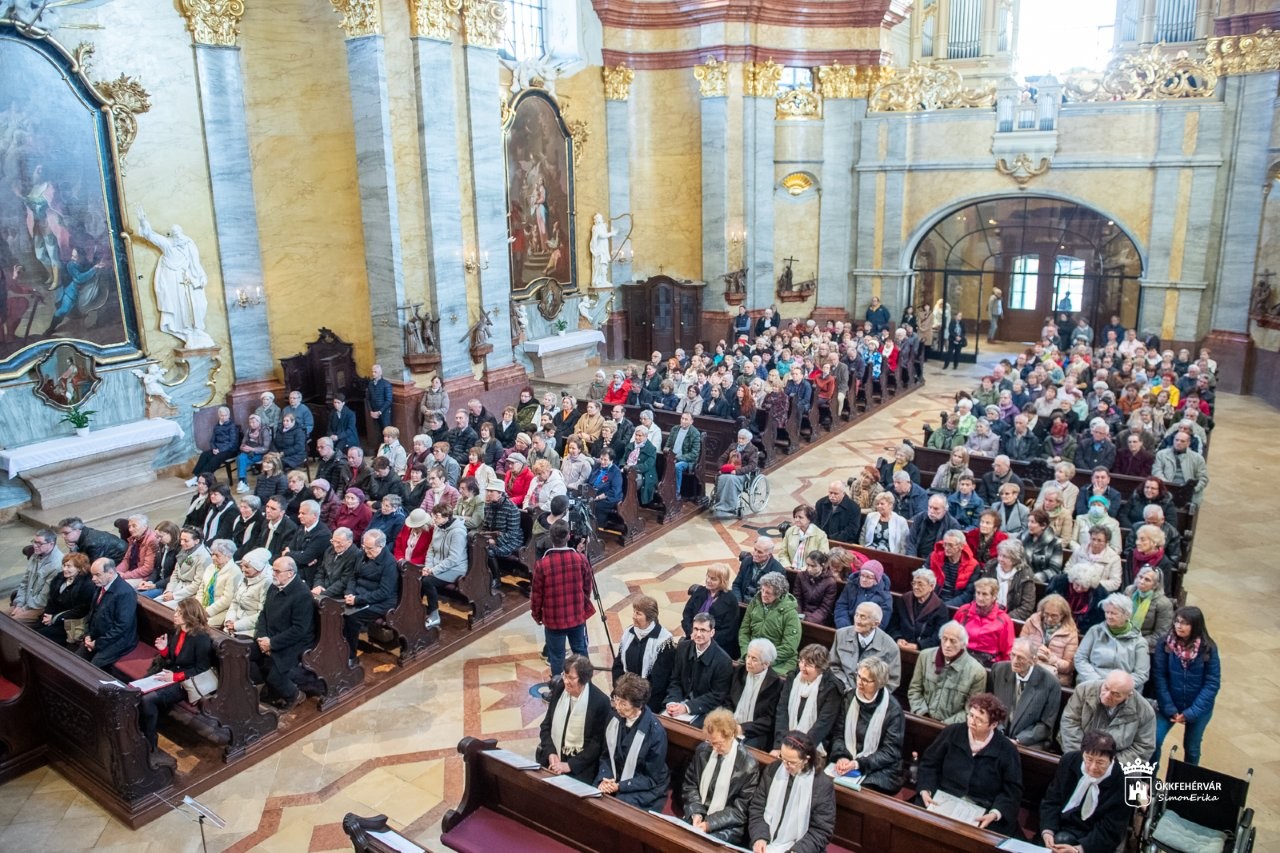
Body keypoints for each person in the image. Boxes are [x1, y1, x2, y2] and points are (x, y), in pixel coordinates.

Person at [915, 693, 1022, 834]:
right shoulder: (953, 732)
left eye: (979, 720)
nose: (972, 721)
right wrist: (926, 789)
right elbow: (929, 764)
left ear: (993, 725)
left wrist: (995, 813)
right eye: (971, 715)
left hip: (983, 806)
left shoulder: (1006, 750)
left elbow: (1012, 790)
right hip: (945, 796)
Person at [136, 598, 218, 751]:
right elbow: (173, 659)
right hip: (171, 674)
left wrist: (175, 677)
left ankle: (150, 743)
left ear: (190, 616)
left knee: (148, 699)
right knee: (138, 690)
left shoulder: (201, 638)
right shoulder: (179, 631)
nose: (175, 615)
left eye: (180, 613)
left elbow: (201, 669)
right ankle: (140, 735)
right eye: (176, 611)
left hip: (185, 682)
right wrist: (164, 650)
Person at [1039, 731, 1132, 853]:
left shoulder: (1123, 784)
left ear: (1112, 759)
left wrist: (1079, 850)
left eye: (1100, 762)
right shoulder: (1069, 761)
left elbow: (1111, 830)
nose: (1093, 767)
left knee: (1064, 840)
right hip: (1059, 827)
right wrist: (1048, 831)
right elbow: (1052, 800)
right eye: (1089, 759)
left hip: (1092, 840)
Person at [681, 708, 761, 845]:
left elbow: (740, 810)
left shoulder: (748, 765)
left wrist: (709, 824)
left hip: (727, 826)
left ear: (731, 735)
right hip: (699, 815)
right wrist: (696, 812)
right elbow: (690, 785)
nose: (714, 749)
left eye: (718, 743)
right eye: (711, 743)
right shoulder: (703, 751)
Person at [747, 729, 836, 853]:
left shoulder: (821, 785)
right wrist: (760, 837)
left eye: (791, 762)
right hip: (768, 842)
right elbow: (757, 807)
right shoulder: (773, 770)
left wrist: (796, 851)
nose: (785, 766)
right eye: (783, 759)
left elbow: (821, 830)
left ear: (806, 760)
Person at [1153, 606, 1220, 765]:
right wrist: (1169, 708)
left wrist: (1191, 712)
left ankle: (1188, 783)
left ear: (1195, 625)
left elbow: (1212, 683)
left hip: (1198, 708)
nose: (1178, 626)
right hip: (1169, 705)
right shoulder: (1165, 644)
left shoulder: (1208, 648)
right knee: (1154, 741)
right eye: (1176, 621)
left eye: (1184, 623)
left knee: (1192, 748)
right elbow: (1159, 676)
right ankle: (1150, 782)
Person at [828, 657, 904, 794]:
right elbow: (838, 733)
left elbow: (890, 751)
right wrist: (841, 756)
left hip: (878, 767)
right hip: (847, 758)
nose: (859, 682)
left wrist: (858, 763)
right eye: (858, 676)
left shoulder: (893, 710)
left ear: (879, 683)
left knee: (860, 792)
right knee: (825, 782)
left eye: (865, 680)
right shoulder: (849, 698)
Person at [596, 673, 670, 811]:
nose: (617, 707)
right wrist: (605, 778)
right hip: (615, 776)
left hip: (643, 785)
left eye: (623, 704)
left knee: (618, 808)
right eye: (616, 700)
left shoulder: (655, 733)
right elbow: (606, 755)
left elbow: (650, 778)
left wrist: (620, 786)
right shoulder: (614, 718)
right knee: (594, 796)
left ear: (638, 705)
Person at [249, 556, 316, 710]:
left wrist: (272, 643)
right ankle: (267, 689)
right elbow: (263, 615)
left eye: (277, 571)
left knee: (274, 673)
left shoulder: (302, 595)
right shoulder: (274, 586)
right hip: (270, 636)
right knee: (244, 653)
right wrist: (262, 637)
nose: (273, 574)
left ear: (290, 573)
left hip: (294, 641)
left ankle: (294, 695)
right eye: (273, 569)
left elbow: (299, 630)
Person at [532, 522, 594, 680]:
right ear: (568, 536)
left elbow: (537, 594)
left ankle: (558, 689)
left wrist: (537, 615)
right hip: (576, 615)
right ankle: (585, 684)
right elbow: (587, 587)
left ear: (550, 538)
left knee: (556, 656)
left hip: (554, 619)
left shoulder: (542, 565)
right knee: (580, 650)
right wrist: (581, 603)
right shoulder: (580, 559)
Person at [537, 654, 611, 784]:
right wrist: (551, 753)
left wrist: (569, 765)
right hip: (554, 755)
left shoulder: (600, 702)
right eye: (564, 675)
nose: (565, 681)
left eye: (571, 678)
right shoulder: (560, 689)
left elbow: (597, 744)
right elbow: (546, 726)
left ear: (583, 679)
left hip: (581, 764)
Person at [1059, 670, 1156, 766]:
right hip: (1079, 753)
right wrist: (1082, 758)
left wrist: (1108, 764)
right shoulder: (1084, 690)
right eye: (1106, 688)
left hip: (1117, 764)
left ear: (1128, 696)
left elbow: (1143, 747)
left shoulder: (1144, 711)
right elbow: (1070, 723)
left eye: (1116, 694)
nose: (1107, 695)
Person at [907, 621, 987, 723]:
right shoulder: (925, 656)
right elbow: (914, 690)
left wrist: (945, 726)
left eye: (953, 641)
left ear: (963, 644)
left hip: (951, 729)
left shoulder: (977, 672)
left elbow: (970, 709)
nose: (947, 645)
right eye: (944, 639)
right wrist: (922, 714)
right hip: (920, 719)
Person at [989, 638, 1061, 750]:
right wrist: (999, 732)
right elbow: (990, 706)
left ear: (1034, 660)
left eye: (1021, 658)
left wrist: (1019, 740)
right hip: (996, 732)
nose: (1014, 661)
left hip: (1029, 741)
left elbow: (1046, 725)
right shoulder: (999, 670)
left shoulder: (1051, 683)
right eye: (1013, 655)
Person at [665, 613, 734, 726]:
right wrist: (672, 702)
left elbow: (717, 696)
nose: (698, 634)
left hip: (704, 710)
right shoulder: (683, 648)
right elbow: (675, 680)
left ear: (712, 632)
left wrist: (687, 707)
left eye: (703, 630)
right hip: (680, 701)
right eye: (696, 629)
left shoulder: (723, 661)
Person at [771, 644, 843, 752]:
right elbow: (782, 711)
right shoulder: (793, 677)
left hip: (813, 746)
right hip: (785, 742)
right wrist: (779, 744)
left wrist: (801, 748)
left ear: (821, 668)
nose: (802, 667)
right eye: (801, 662)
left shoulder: (832, 687)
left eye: (808, 665)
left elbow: (823, 724)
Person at [341, 530, 398, 664]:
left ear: (381, 546)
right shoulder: (362, 555)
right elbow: (353, 577)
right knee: (333, 611)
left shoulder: (389, 563)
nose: (366, 551)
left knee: (351, 618)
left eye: (370, 548)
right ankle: (339, 648)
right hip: (360, 596)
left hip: (381, 602)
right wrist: (349, 592)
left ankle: (350, 656)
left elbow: (384, 592)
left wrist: (357, 599)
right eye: (364, 547)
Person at [1075, 592, 1150, 690]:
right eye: (1107, 612)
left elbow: (1141, 674)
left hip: (1122, 689)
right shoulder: (1095, 631)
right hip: (1092, 682)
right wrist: (1096, 681)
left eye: (1114, 613)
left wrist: (1116, 686)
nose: (1109, 616)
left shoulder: (1139, 642)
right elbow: (1080, 658)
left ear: (1127, 615)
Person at [77, 558, 138, 671]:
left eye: (97, 575)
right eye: (92, 575)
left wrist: (98, 643)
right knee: (75, 661)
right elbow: (93, 613)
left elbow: (122, 626)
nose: (93, 579)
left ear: (110, 573)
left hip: (117, 641)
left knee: (91, 670)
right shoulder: (101, 586)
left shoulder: (125, 593)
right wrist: (88, 635)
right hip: (98, 636)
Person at [829, 602, 902, 693]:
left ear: (875, 624)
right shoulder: (841, 635)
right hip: (840, 690)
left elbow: (891, 681)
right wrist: (845, 687)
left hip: (869, 698)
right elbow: (833, 666)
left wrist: (868, 694)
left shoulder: (890, 647)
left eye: (863, 617)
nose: (858, 621)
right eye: (857, 615)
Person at [739, 572, 802, 676]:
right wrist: (747, 654)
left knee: (769, 681)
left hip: (780, 661)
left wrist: (763, 660)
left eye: (768, 593)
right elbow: (744, 631)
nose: (763, 594)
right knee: (738, 673)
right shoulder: (755, 603)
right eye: (762, 590)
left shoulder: (790, 613)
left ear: (778, 594)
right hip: (752, 655)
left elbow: (789, 647)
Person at [730, 639, 784, 750]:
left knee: (742, 751)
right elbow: (728, 700)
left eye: (754, 659)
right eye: (748, 656)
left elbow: (768, 719)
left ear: (766, 664)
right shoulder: (739, 672)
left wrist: (743, 728)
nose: (748, 661)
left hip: (755, 732)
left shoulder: (775, 683)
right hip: (730, 722)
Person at [951, 577, 1016, 665]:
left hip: (988, 662)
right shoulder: (964, 610)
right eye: (978, 593)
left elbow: (1008, 650)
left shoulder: (1004, 620)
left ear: (994, 597)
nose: (980, 598)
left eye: (985, 594)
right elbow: (951, 634)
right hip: (962, 655)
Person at [681, 564, 741, 659]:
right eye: (708, 576)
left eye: (713, 579)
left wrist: (705, 639)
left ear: (722, 581)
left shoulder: (730, 600)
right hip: (693, 637)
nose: (708, 580)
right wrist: (691, 632)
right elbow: (687, 615)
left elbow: (729, 631)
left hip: (716, 645)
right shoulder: (699, 591)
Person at [36, 552, 95, 644]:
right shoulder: (59, 577)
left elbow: (81, 610)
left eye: (69, 566)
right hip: (52, 616)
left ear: (79, 568)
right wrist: (47, 615)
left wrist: (55, 618)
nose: (64, 569)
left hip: (70, 622)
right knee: (34, 631)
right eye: (64, 565)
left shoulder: (87, 584)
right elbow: (52, 599)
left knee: (41, 637)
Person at [7, 528, 63, 625]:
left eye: (39, 543)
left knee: (11, 625)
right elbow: (25, 582)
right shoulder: (35, 555)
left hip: (40, 607)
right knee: (3, 618)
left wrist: (24, 608)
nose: (35, 546)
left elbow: (44, 597)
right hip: (26, 602)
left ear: (51, 544)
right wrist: (19, 604)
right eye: (34, 542)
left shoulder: (57, 565)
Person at [889, 568, 949, 653]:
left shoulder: (940, 608)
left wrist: (918, 645)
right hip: (899, 646)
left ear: (931, 586)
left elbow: (939, 636)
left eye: (920, 584)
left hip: (924, 651)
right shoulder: (904, 599)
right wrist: (897, 638)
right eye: (914, 583)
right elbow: (893, 624)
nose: (915, 587)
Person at [1125, 566, 1174, 653]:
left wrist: (1135, 641)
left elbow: (1160, 635)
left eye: (1147, 580)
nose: (1141, 581)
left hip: (1144, 645)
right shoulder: (1130, 591)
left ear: (1155, 585)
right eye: (1140, 577)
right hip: (1123, 635)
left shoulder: (1163, 604)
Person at [224, 548, 272, 635]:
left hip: (250, 631)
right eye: (242, 565)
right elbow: (235, 603)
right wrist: (229, 620)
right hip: (233, 624)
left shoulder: (267, 583)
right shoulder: (244, 577)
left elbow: (261, 614)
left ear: (258, 567)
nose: (242, 569)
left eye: (247, 566)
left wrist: (236, 626)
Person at [1152, 429, 1208, 505]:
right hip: (1166, 487)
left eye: (1182, 441)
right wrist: (1166, 485)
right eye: (1176, 440)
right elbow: (1157, 472)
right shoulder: (1161, 454)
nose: (1178, 443)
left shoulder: (1197, 458)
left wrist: (1192, 490)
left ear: (1188, 443)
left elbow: (1203, 479)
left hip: (1187, 492)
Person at [1067, 524, 1122, 593]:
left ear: (1107, 542)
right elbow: (1068, 568)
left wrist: (1092, 583)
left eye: (1099, 540)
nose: (1095, 543)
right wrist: (1076, 580)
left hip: (1096, 592)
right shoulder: (1080, 550)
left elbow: (1115, 583)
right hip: (1075, 587)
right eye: (1093, 539)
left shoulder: (1114, 558)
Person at [190, 406, 242, 480]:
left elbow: (233, 443)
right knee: (204, 455)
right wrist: (214, 448)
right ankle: (196, 476)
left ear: (229, 415)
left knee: (216, 459)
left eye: (225, 415)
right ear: (219, 416)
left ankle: (201, 477)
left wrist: (219, 450)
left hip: (230, 450)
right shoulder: (216, 426)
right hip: (217, 449)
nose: (223, 417)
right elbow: (212, 440)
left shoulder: (232, 426)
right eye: (222, 415)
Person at [199, 540, 243, 625]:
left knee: (200, 624)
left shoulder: (235, 572)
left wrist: (207, 611)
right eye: (212, 554)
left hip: (220, 611)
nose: (213, 558)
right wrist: (198, 607)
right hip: (202, 607)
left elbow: (227, 600)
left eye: (217, 555)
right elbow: (201, 588)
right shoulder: (211, 567)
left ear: (228, 556)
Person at [930, 529, 980, 601]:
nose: (946, 548)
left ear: (961, 546)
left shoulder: (973, 565)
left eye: (950, 545)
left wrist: (946, 606)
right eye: (945, 544)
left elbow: (968, 594)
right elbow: (926, 580)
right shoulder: (935, 556)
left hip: (956, 603)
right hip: (934, 598)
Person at [311, 527, 359, 600]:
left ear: (349, 542)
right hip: (322, 589)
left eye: (339, 542)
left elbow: (344, 582)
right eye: (333, 541)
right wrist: (318, 586)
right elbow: (321, 571)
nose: (335, 545)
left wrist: (323, 594)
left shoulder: (355, 555)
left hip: (337, 595)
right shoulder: (330, 549)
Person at [732, 536, 784, 602]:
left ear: (769, 555)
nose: (755, 554)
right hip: (741, 601)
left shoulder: (778, 571)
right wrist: (738, 602)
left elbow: (775, 599)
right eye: (755, 549)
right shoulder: (746, 561)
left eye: (760, 552)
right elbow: (736, 584)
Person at [779, 505, 829, 569]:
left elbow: (822, 558)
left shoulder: (820, 535)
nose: (796, 519)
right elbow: (783, 553)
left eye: (800, 517)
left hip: (810, 572)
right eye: (795, 517)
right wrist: (787, 566)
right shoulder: (790, 531)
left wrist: (804, 570)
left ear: (809, 519)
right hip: (790, 569)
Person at [58, 517, 126, 563]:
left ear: (78, 530)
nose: (63, 536)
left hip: (123, 561)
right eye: (62, 533)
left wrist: (74, 551)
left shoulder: (92, 543)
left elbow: (93, 566)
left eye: (66, 533)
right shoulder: (85, 532)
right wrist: (73, 549)